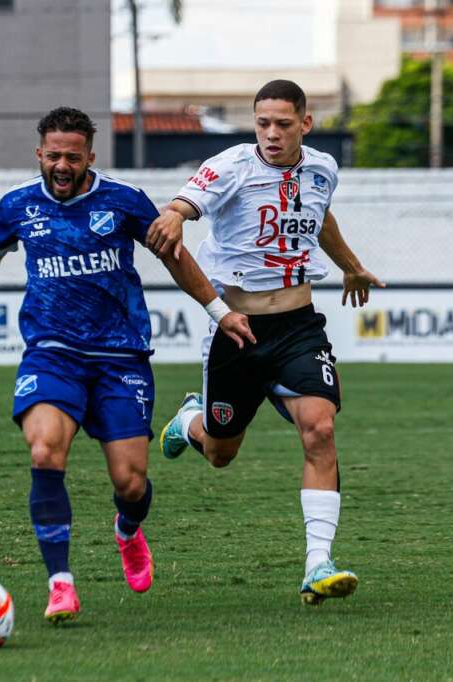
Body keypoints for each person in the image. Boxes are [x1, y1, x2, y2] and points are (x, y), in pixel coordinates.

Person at [0, 107, 254, 624]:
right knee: (44, 452)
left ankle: (127, 530)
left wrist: (219, 310)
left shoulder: (122, 200)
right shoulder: (16, 206)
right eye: (53, 155)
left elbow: (173, 256)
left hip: (119, 357)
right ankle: (61, 584)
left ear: (90, 158)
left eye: (72, 157)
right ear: (39, 154)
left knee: (130, 484)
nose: (62, 165)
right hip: (51, 353)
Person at [146, 80, 384, 606]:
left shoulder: (322, 169)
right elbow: (186, 202)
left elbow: (321, 219)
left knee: (319, 428)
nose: (271, 134)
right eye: (262, 123)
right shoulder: (231, 166)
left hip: (299, 327)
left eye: (282, 123)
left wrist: (351, 267)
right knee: (220, 454)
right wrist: (171, 215)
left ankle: (317, 563)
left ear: (305, 123)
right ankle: (191, 420)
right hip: (238, 331)